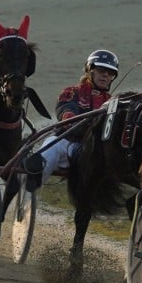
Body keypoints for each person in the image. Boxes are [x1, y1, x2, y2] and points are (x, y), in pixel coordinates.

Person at [25, 49, 119, 191]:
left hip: (91, 150)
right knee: (52, 144)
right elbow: (66, 114)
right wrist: (88, 124)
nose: (105, 75)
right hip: (66, 142)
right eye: (101, 70)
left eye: (110, 73)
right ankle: (30, 185)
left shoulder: (113, 102)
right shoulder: (72, 92)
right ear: (90, 70)